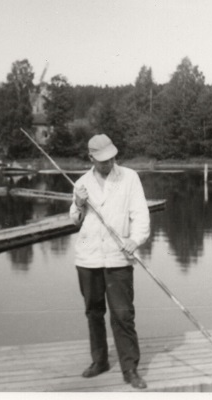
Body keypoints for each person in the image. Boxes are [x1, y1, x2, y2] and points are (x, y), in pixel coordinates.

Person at [69, 134, 150, 389]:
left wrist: (135, 240)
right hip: (88, 258)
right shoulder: (81, 183)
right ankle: (100, 361)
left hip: (119, 257)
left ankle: (130, 368)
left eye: (111, 158)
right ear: (91, 158)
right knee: (94, 312)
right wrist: (78, 204)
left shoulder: (129, 177)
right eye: (102, 160)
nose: (108, 163)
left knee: (123, 314)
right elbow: (75, 220)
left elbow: (141, 214)